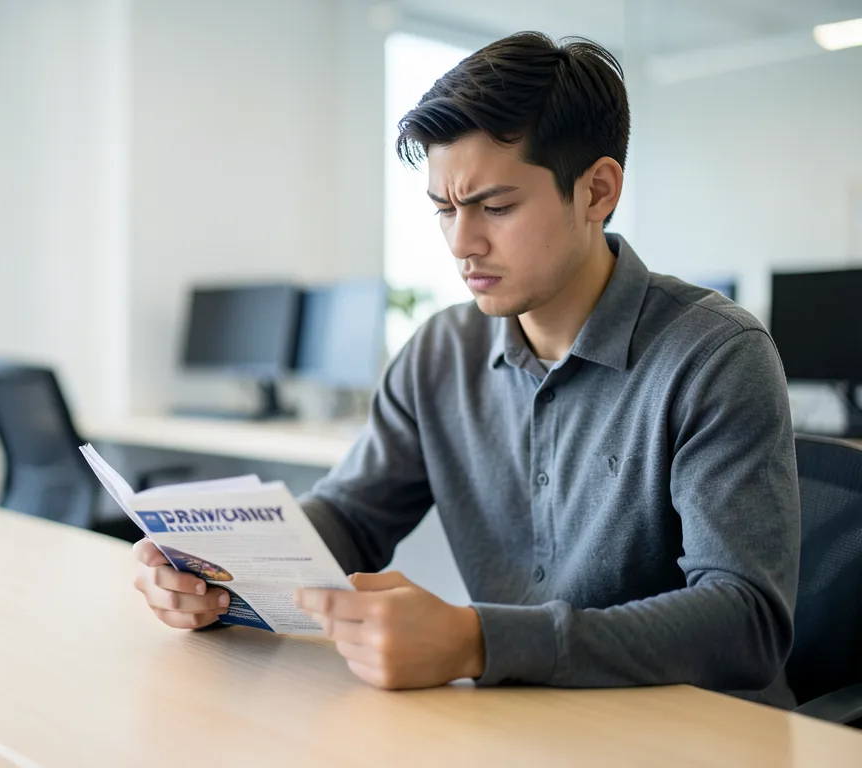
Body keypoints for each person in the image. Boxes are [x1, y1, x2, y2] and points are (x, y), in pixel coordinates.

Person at [131, 30, 801, 708]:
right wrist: (230, 572)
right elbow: (352, 515)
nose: (462, 244)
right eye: (445, 210)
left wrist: (478, 640)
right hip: (526, 726)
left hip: (699, 734)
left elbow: (745, 621)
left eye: (496, 207)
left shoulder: (716, 355)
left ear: (597, 192)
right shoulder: (439, 352)